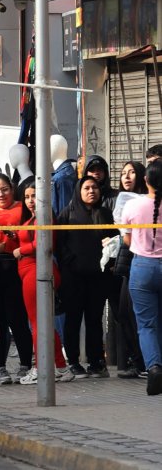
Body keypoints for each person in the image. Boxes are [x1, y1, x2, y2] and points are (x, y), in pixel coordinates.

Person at [13, 180, 75, 385]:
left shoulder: (45, 216)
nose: (31, 201)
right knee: (42, 323)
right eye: (27, 197)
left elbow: (44, 242)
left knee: (38, 324)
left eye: (34, 196)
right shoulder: (32, 218)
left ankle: (42, 367)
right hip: (31, 273)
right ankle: (59, 367)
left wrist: (21, 250)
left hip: (37, 272)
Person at [57, 176, 117, 378]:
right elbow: (59, 244)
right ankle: (73, 361)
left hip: (98, 278)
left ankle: (96, 361)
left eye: (95, 187)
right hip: (74, 277)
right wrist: (71, 262)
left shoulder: (106, 214)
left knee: (94, 319)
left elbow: (116, 240)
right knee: (73, 319)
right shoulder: (68, 214)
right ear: (78, 191)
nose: (91, 191)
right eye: (86, 188)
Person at [0, 173, 33, 384]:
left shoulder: (22, 207)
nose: (1, 194)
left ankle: (25, 364)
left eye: (5, 189)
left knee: (19, 319)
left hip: (18, 266)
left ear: (12, 189)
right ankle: (0, 367)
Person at [121, 159, 162, 395]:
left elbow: (127, 240)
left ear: (145, 180)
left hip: (142, 268)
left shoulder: (133, 207)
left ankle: (154, 367)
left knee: (146, 324)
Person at [113, 161, 148, 378]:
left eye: (132, 172)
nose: (127, 177)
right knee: (124, 313)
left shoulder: (145, 203)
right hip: (127, 263)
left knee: (139, 315)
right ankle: (138, 360)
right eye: (123, 173)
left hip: (143, 262)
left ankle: (145, 362)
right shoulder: (122, 201)